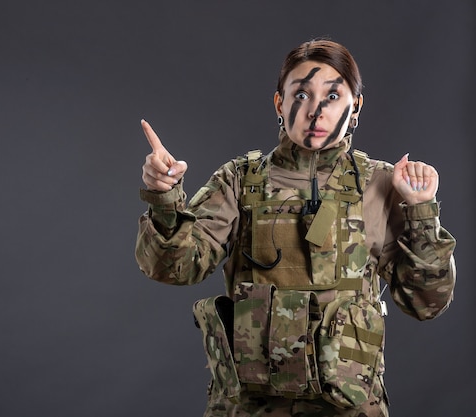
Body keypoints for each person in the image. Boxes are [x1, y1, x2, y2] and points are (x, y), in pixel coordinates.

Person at [135, 38, 456, 417]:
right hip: (249, 408)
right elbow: (174, 267)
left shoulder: (382, 184)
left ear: (356, 107)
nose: (316, 111)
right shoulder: (240, 181)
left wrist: (420, 210)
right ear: (280, 103)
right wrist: (165, 198)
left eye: (333, 95)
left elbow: (427, 303)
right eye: (301, 94)